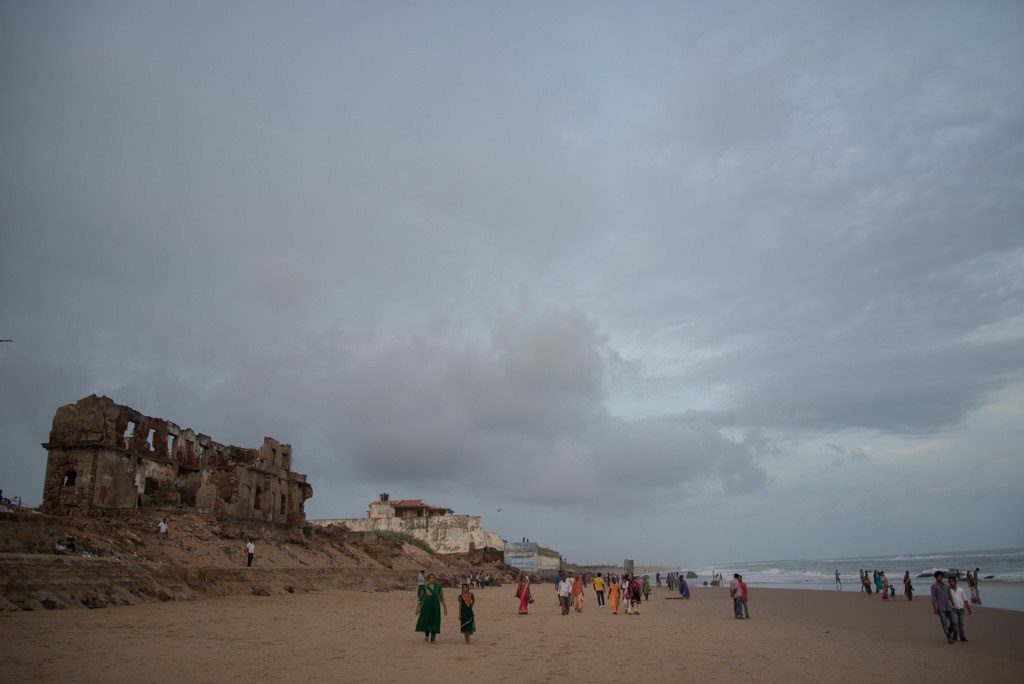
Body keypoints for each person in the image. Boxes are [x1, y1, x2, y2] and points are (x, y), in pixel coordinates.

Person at [415, 573, 447, 643]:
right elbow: (420, 598)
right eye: (430, 578)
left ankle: (433, 638)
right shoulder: (424, 587)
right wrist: (417, 609)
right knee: (426, 620)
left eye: (433, 578)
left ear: (435, 579)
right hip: (426, 606)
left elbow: (442, 598)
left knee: (435, 621)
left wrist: (445, 608)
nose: (432, 579)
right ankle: (426, 634)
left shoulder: (438, 587)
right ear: (428, 579)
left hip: (435, 606)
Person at [930, 571, 957, 644]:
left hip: (948, 607)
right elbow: (933, 598)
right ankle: (949, 637)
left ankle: (948, 631)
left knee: (954, 622)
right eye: (939, 577)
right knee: (944, 623)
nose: (940, 578)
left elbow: (950, 596)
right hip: (941, 608)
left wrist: (954, 605)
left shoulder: (946, 586)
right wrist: (934, 608)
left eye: (941, 577)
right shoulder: (934, 586)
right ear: (936, 578)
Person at [948, 576, 972, 642]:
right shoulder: (948, 590)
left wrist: (968, 608)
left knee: (961, 623)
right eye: (949, 581)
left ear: (955, 581)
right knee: (954, 622)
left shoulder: (960, 589)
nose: (951, 583)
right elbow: (947, 600)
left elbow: (965, 599)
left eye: (952, 581)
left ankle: (962, 636)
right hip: (953, 609)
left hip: (961, 608)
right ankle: (955, 633)